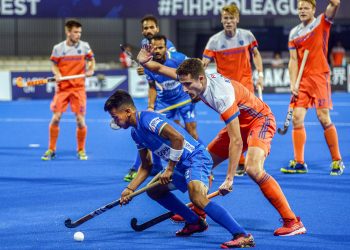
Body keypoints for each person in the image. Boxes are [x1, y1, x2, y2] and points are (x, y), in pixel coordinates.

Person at [137, 47, 306, 236]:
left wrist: (229, 178)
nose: (184, 90)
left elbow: (236, 141)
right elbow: (159, 69)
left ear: (200, 79)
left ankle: (292, 221)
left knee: (253, 168)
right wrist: (143, 62)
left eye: (187, 85)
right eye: (182, 84)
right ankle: (200, 209)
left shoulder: (221, 95)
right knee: (203, 162)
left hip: (260, 121)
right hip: (238, 122)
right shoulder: (194, 78)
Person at [104, 90, 255, 248]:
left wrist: (169, 169)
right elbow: (146, 165)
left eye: (115, 117)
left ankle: (242, 235)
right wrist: (130, 189)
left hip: (196, 159)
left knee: (196, 196)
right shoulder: (135, 133)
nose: (115, 121)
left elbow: (178, 138)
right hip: (180, 165)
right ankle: (194, 222)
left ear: (128, 111)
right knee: (154, 190)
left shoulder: (148, 119)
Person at [280, 0, 345, 176]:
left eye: (306, 8)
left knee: (323, 117)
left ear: (313, 10)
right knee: (297, 119)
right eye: (300, 8)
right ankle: (299, 163)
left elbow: (335, 5)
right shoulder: (294, 33)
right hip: (303, 81)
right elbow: (293, 61)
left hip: (320, 77)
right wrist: (293, 83)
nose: (302, 11)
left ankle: (337, 161)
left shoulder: (322, 22)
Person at [202, 4, 264, 176]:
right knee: (234, 127)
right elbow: (204, 63)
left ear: (237, 19)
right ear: (222, 20)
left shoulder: (247, 36)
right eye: (225, 18)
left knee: (249, 124)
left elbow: (256, 54)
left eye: (231, 18)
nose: (228, 21)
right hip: (226, 92)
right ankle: (242, 162)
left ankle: (250, 158)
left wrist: (260, 74)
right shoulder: (214, 41)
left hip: (246, 89)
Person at [124, 15, 177, 182]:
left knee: (187, 131)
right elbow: (149, 73)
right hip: (162, 97)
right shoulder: (144, 45)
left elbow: (169, 66)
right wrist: (143, 68)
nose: (148, 31)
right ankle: (153, 166)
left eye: (151, 28)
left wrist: (147, 67)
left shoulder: (169, 46)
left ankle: (198, 160)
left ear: (157, 29)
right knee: (149, 130)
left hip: (177, 95)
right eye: (145, 28)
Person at [41, 19, 95, 161]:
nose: (78, 35)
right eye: (75, 32)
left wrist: (90, 68)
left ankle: (81, 150)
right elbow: (53, 64)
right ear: (68, 32)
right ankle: (51, 149)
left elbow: (91, 59)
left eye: (79, 32)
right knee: (56, 118)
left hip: (78, 88)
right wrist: (57, 73)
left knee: (80, 120)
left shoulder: (84, 46)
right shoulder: (58, 48)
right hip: (63, 88)